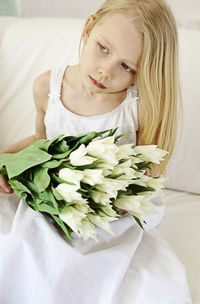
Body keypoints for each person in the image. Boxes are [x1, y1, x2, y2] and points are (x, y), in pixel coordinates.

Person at [0, 0, 192, 303]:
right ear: (89, 28)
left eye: (126, 66)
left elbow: (146, 172)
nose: (105, 71)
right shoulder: (48, 86)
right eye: (103, 48)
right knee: (24, 250)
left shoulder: (135, 108)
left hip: (110, 212)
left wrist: (123, 201)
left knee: (132, 279)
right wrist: (5, 160)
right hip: (57, 200)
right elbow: (41, 142)